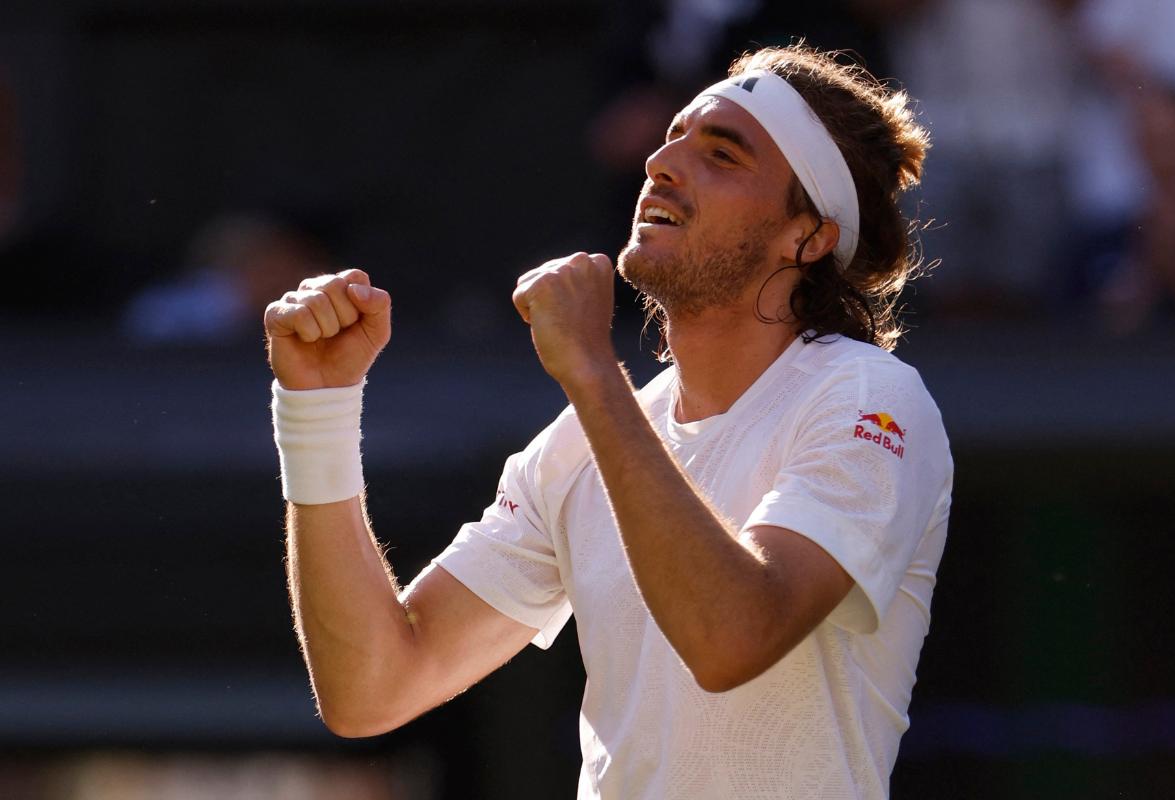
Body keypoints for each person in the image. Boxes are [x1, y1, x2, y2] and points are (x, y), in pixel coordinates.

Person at [265, 42, 951, 799]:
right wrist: (317, 411)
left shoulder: (870, 399)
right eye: (673, 137)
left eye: (722, 153)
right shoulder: (580, 441)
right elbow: (373, 689)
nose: (662, 162)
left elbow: (732, 639)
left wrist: (592, 372)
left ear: (809, 236)